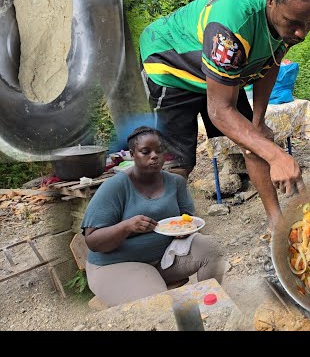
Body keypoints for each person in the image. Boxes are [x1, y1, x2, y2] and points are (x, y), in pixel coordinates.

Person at [139, 0, 310, 231]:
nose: (302, 33)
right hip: (171, 64)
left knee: (255, 139)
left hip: (221, 72)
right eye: (295, 23)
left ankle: (276, 224)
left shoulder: (292, 9)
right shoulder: (231, 27)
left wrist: (258, 122)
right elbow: (219, 110)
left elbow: (270, 61)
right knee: (177, 162)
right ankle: (160, 235)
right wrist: (277, 156)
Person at [81, 126, 225, 307]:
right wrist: (126, 227)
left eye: (159, 150)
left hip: (165, 258)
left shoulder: (176, 182)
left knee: (212, 248)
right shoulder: (115, 187)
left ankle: (208, 307)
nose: (154, 156)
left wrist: (184, 231)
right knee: (159, 306)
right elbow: (93, 241)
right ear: (132, 154)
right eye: (145, 151)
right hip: (116, 265)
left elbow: (189, 220)